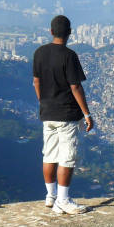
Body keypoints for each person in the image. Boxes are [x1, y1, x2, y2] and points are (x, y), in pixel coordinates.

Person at [33, 15, 94, 215]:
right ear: (69, 33)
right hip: (66, 114)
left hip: (47, 112)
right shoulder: (69, 56)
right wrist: (86, 113)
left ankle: (50, 196)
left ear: (51, 31)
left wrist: (44, 101)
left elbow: (36, 82)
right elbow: (75, 86)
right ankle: (63, 200)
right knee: (67, 158)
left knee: (49, 155)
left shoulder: (39, 53)